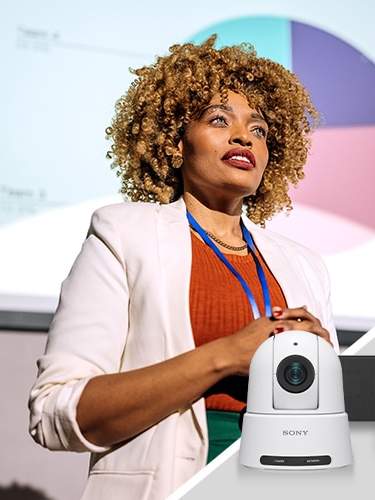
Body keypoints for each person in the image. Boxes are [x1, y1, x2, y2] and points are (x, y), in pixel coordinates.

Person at [28, 35, 338, 500]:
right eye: (219, 119)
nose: (243, 137)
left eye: (260, 130)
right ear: (175, 142)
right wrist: (226, 356)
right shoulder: (121, 234)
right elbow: (56, 413)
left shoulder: (306, 266)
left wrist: (326, 375)